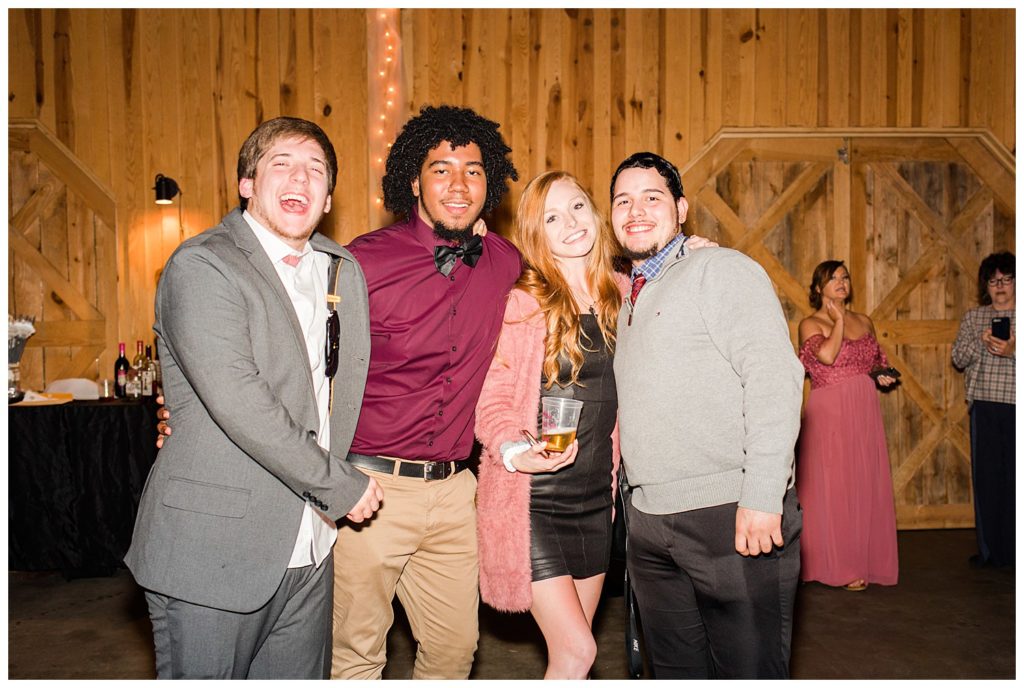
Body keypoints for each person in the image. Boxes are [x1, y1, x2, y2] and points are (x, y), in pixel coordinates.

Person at [125, 117, 383, 679]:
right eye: (281, 164)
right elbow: (239, 399)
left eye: (316, 170)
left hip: (311, 544)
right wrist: (341, 485)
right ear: (247, 182)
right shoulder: (203, 265)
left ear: (330, 195)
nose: (301, 178)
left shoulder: (342, 271)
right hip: (215, 549)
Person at [331, 105, 522, 679]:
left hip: (455, 494)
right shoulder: (362, 261)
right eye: (441, 170)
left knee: (454, 654)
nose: (459, 185)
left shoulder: (505, 261)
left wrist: (678, 260)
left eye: (473, 170)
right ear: (414, 181)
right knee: (356, 656)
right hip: (369, 491)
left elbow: (574, 285)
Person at [610, 152, 804, 679]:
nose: (636, 211)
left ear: (681, 209)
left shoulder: (721, 270)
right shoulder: (628, 294)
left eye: (652, 198)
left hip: (730, 517)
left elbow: (773, 378)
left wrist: (764, 495)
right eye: (622, 200)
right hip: (650, 528)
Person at [473, 171, 626, 679]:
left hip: (594, 500)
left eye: (578, 207)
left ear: (596, 212)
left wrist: (692, 250)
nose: (571, 224)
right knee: (580, 650)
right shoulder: (523, 302)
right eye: (552, 218)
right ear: (536, 234)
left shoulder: (625, 296)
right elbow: (491, 403)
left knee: (570, 658)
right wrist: (518, 451)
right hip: (533, 500)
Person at [795, 260, 899, 591]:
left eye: (845, 277)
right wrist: (838, 321)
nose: (841, 282)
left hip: (864, 406)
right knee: (834, 483)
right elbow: (825, 356)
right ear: (818, 289)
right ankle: (837, 564)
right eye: (832, 279)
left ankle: (867, 559)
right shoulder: (810, 323)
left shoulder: (864, 320)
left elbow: (877, 362)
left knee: (862, 480)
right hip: (831, 409)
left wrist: (880, 375)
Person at [952, 251, 1015, 568]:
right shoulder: (973, 317)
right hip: (985, 406)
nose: (1000, 286)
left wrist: (1014, 350)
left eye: (1006, 279)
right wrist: (980, 341)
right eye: (993, 281)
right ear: (985, 286)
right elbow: (958, 359)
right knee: (988, 481)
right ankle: (990, 551)